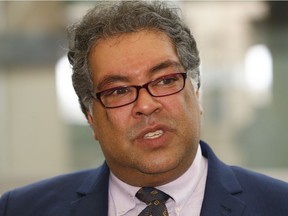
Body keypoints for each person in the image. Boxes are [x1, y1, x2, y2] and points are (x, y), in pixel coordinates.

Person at [0, 1, 287, 216]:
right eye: (119, 90)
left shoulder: (278, 205)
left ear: (196, 93)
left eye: (164, 80)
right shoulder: (20, 209)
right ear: (91, 118)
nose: (146, 105)